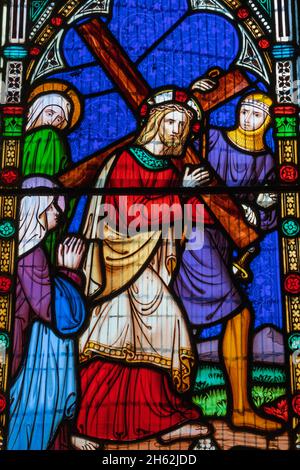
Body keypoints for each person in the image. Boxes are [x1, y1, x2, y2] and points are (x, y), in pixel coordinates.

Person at [71, 88, 212, 449]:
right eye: (171, 121)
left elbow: (170, 223)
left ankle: (159, 420)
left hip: (147, 260)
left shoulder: (168, 169)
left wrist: (180, 198)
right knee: (112, 333)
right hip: (116, 261)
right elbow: (123, 213)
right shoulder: (125, 160)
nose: (177, 129)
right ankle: (88, 424)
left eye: (183, 124)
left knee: (161, 331)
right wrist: (180, 193)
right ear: (154, 121)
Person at [174, 92, 281, 431]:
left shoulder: (266, 161)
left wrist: (260, 209)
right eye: (244, 110)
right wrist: (195, 95)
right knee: (239, 314)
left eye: (257, 114)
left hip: (222, 243)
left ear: (268, 122)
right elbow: (177, 142)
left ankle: (177, 404)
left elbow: (269, 216)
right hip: (193, 233)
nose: (247, 117)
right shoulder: (212, 137)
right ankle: (239, 408)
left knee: (183, 321)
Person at [7, 176, 86, 450]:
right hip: (14, 345)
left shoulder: (15, 248)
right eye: (56, 209)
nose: (59, 217)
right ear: (39, 206)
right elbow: (57, 315)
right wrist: (69, 272)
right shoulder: (31, 254)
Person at [22, 83, 81, 260]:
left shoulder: (49, 138)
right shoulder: (48, 137)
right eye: (50, 113)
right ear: (36, 110)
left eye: (61, 120)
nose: (54, 121)